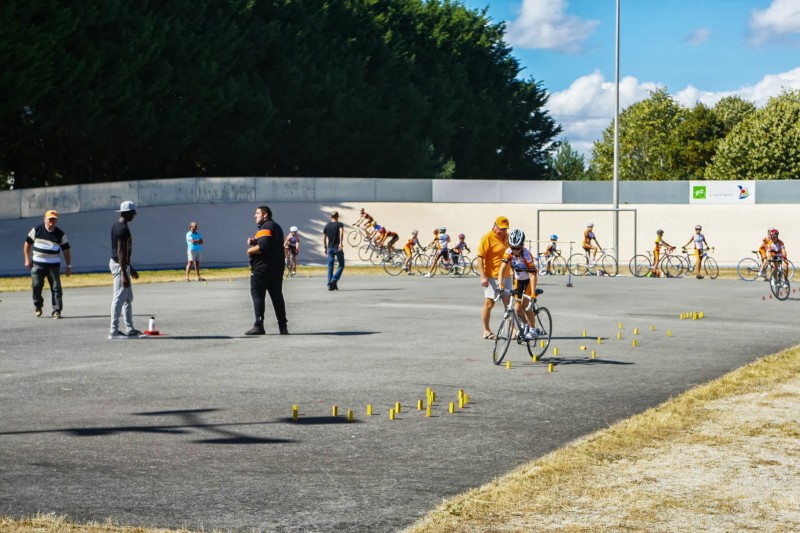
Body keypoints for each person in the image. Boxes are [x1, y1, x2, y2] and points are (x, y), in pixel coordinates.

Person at [246, 205, 288, 335]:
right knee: (277, 296)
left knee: (258, 295)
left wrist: (250, 250)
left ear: (265, 215)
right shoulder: (276, 227)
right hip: (276, 268)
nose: (255, 215)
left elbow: (263, 247)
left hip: (262, 269)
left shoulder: (266, 227)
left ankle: (259, 325)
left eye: (257, 213)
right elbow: (269, 243)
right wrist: (255, 241)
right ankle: (283, 326)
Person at [23, 209, 72, 318]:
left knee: (56, 287)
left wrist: (68, 266)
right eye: (50, 219)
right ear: (45, 219)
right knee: (36, 286)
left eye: (54, 220)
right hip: (37, 264)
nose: (52, 222)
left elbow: (66, 250)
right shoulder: (37, 230)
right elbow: (27, 243)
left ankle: (57, 310)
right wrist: (27, 259)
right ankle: (38, 305)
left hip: (53, 265)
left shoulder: (60, 234)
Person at [498, 229, 540, 340]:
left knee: (526, 305)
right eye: (512, 247)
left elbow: (532, 275)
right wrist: (500, 284)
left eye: (517, 248)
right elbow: (502, 268)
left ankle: (533, 329)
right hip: (518, 280)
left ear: (522, 246)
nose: (514, 250)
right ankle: (525, 324)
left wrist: (533, 293)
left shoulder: (527, 256)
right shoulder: (508, 252)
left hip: (529, 280)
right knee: (517, 308)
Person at [109, 201, 141, 338]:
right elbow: (120, 252)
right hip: (119, 265)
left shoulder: (118, 225)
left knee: (128, 298)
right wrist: (124, 274)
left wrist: (130, 268)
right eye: (132, 213)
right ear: (127, 213)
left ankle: (130, 328)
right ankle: (114, 331)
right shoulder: (122, 228)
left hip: (122, 264)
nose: (134, 215)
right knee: (118, 298)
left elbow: (121, 252)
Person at [477, 216, 511, 339]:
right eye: (501, 229)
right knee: (489, 303)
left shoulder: (508, 237)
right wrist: (483, 276)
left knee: (508, 304)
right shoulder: (487, 238)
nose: (503, 231)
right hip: (492, 276)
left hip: (507, 275)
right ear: (494, 226)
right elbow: (480, 257)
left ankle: (511, 329)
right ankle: (486, 330)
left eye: (505, 229)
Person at [323, 210, 345, 291]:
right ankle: (334, 280)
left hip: (330, 248)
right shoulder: (340, 224)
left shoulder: (327, 225)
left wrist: (325, 247)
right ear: (337, 216)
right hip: (337, 248)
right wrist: (340, 243)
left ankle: (330, 284)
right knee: (341, 265)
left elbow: (324, 237)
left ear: (331, 217)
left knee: (330, 266)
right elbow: (341, 233)